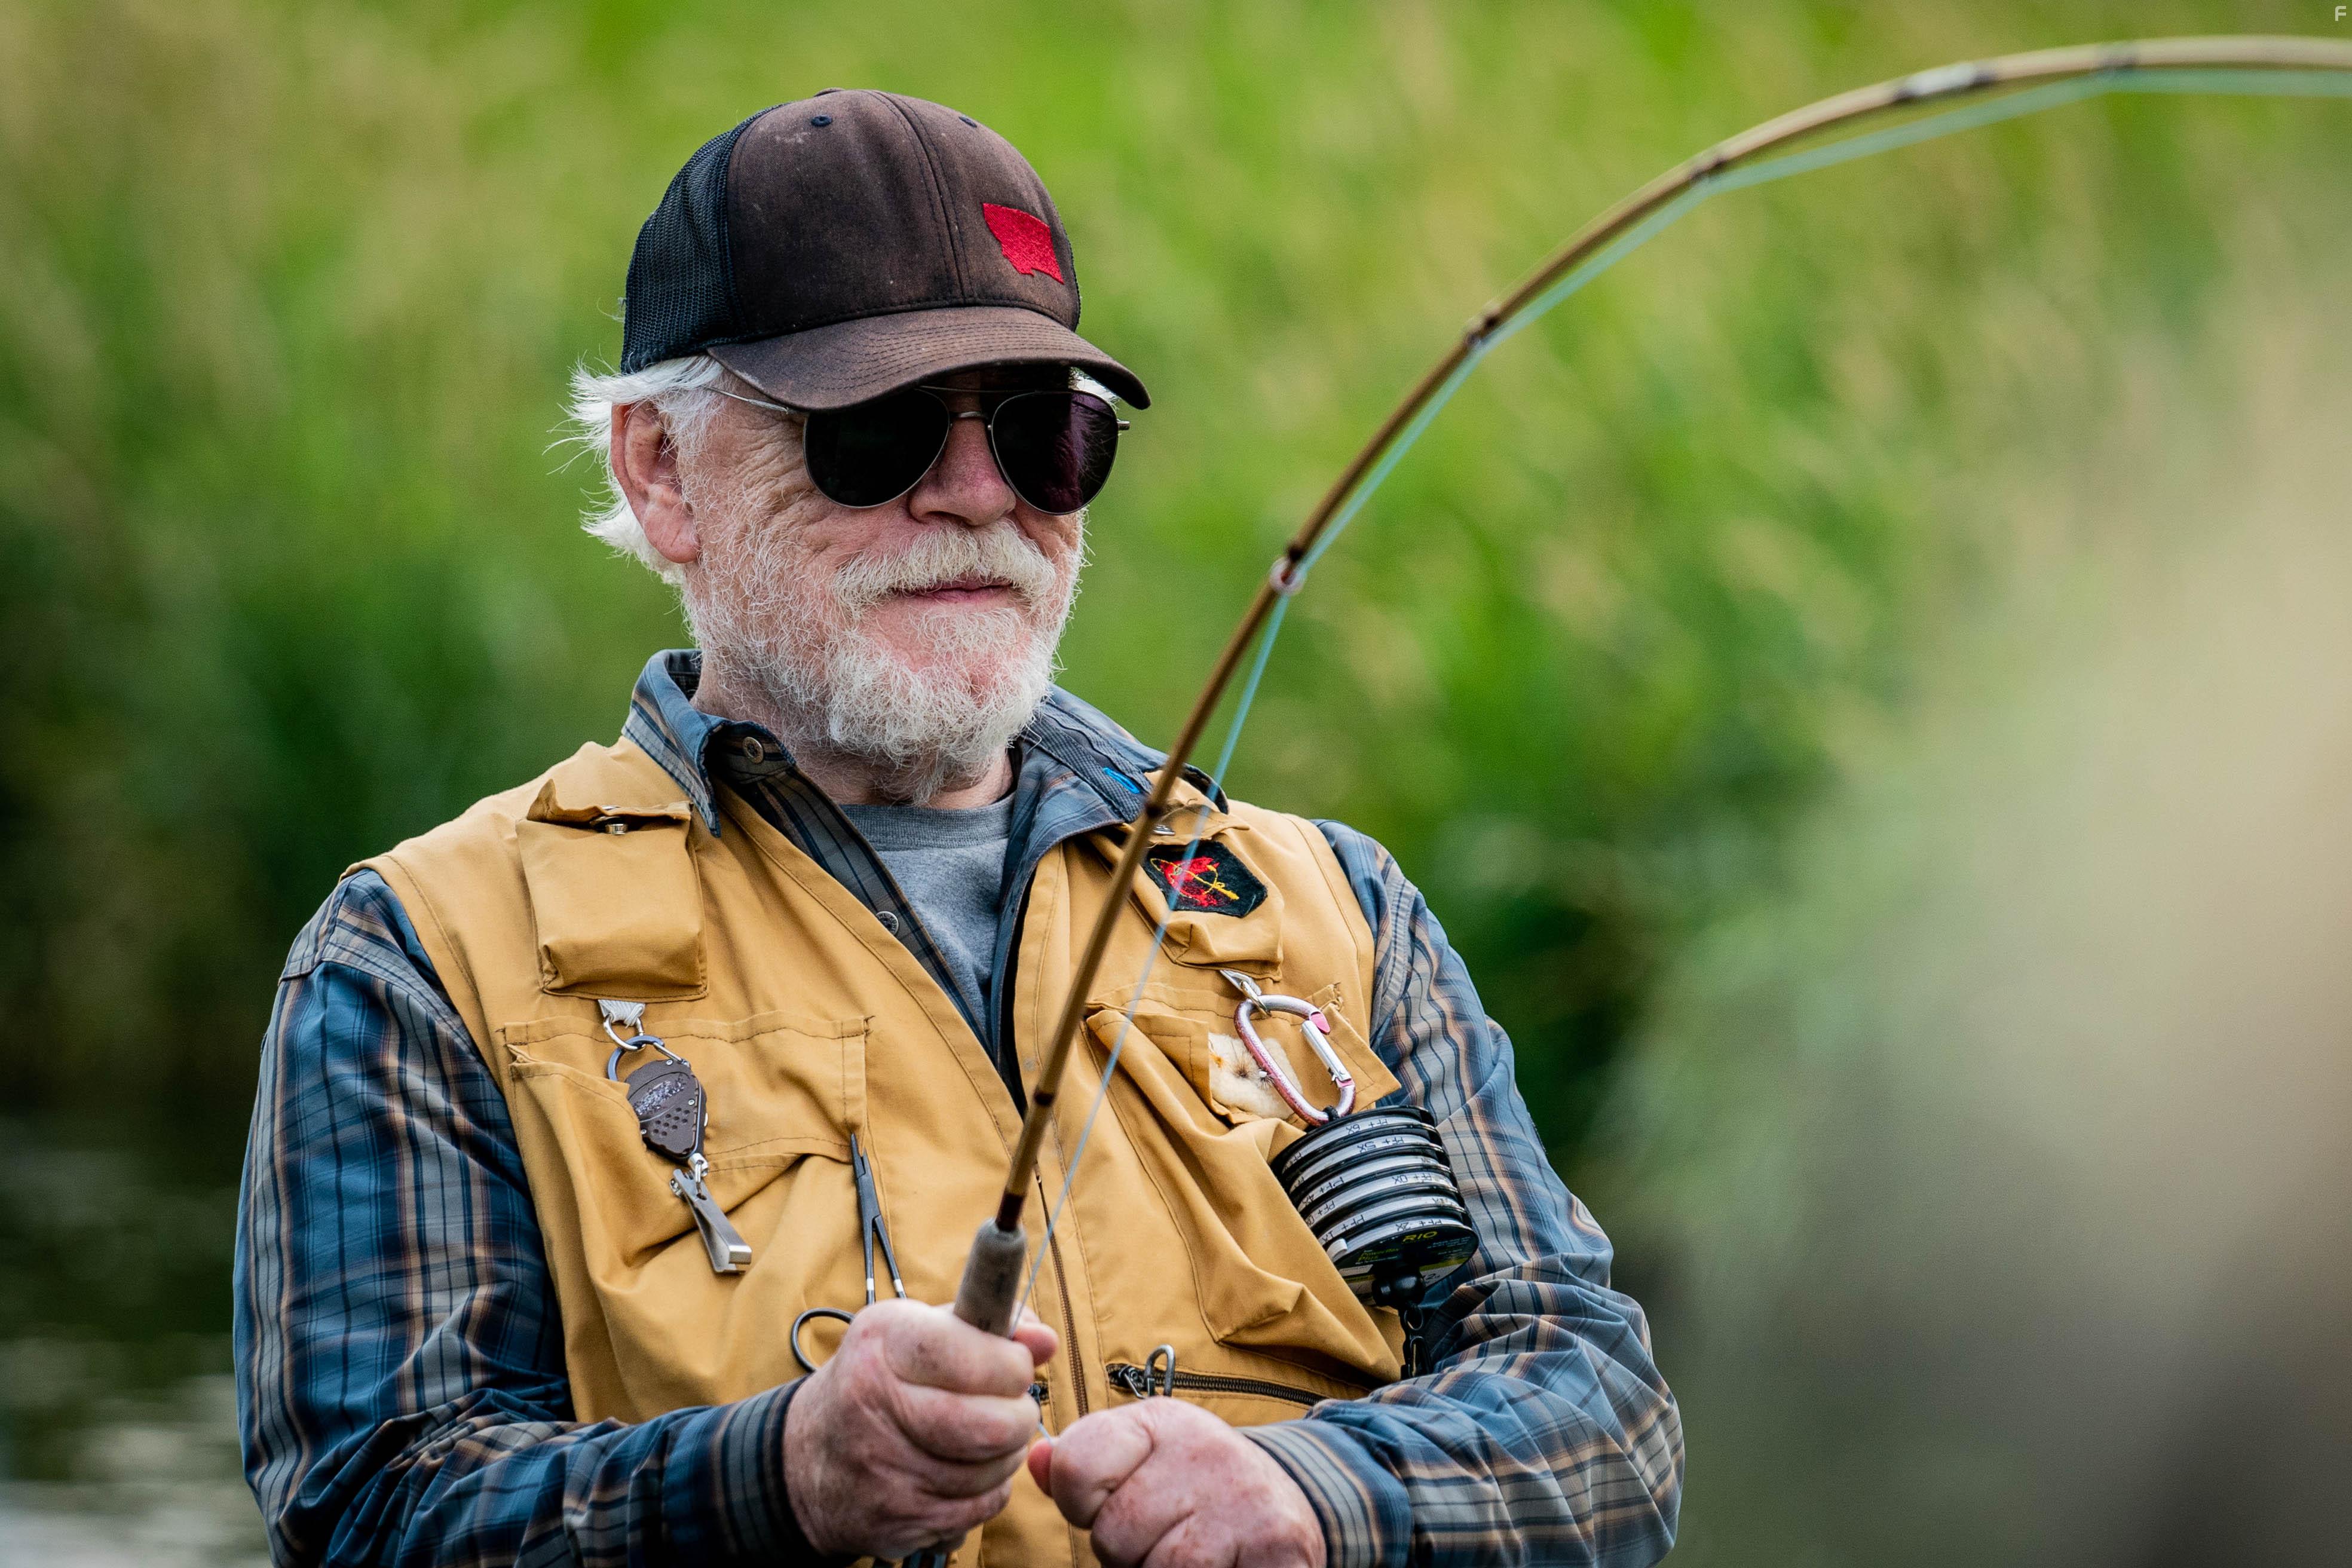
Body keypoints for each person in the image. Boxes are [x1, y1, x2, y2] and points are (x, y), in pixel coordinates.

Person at [233, 90, 1683, 1568]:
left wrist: (1324, 1497)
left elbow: (1607, 1423)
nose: (979, 491)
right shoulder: (420, 958)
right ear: (660, 474)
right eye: (874, 430)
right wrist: (777, 1472)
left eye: (1046, 432)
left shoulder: (1342, 909)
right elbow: (374, 1507)